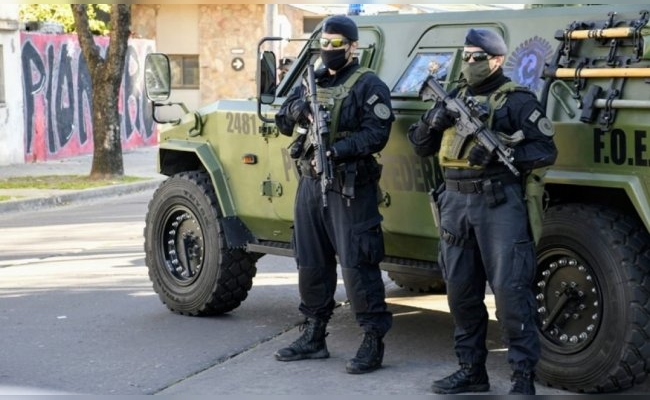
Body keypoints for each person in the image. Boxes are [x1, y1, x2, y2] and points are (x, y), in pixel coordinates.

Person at [407, 28, 557, 395]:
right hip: (454, 202)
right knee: (460, 291)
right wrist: (432, 121)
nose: (470, 62)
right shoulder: (453, 97)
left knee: (510, 292)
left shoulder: (517, 100)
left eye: (478, 57)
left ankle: (522, 376)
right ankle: (471, 370)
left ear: (497, 60)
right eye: (467, 56)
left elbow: (545, 150)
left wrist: (499, 154)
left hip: (498, 203)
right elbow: (420, 146)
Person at [273, 14, 394, 374]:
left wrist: (337, 150)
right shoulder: (311, 81)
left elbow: (377, 134)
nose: (328, 49)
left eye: (336, 44)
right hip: (311, 184)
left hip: (349, 186)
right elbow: (282, 121)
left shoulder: (368, 84)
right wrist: (298, 109)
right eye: (323, 43)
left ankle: (372, 340)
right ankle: (314, 334)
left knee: (358, 264)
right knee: (311, 261)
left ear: (353, 47)